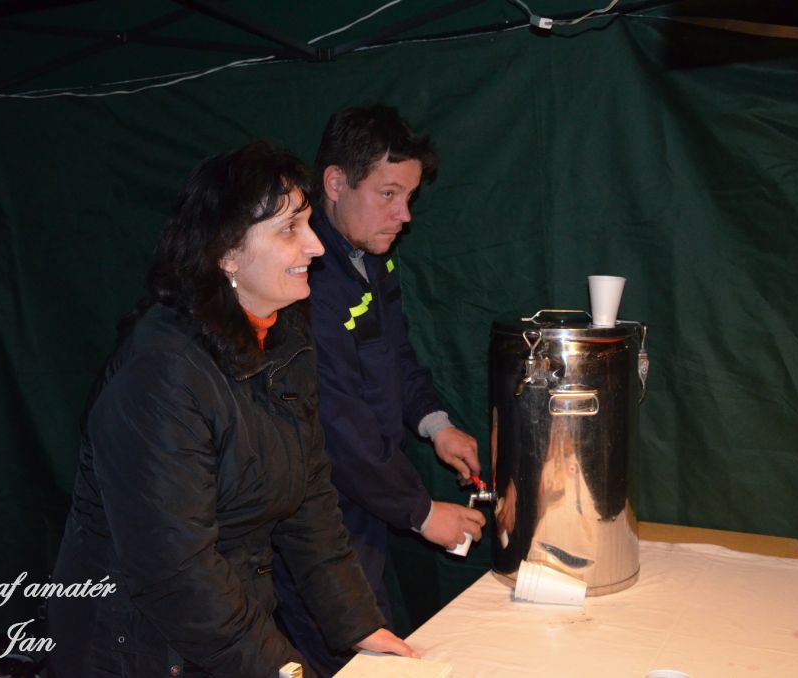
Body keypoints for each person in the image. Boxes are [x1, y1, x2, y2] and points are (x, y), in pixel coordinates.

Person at [47, 142, 417, 678]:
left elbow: (311, 503)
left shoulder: (285, 336)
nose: (316, 245)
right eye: (289, 229)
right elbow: (178, 571)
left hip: (226, 630)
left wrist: (359, 625)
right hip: (136, 649)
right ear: (226, 253)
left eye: (308, 223)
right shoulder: (162, 373)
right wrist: (283, 669)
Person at [273, 106, 486, 676]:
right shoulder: (306, 280)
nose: (404, 215)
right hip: (316, 518)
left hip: (365, 504)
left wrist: (437, 426)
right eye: (388, 194)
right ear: (335, 183)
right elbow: (336, 422)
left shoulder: (371, 259)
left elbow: (395, 355)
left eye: (409, 196)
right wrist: (422, 513)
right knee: (348, 654)